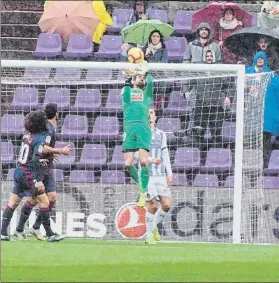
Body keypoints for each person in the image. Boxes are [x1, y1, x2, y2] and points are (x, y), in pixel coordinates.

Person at [0, 111, 65, 242]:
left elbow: (28, 155)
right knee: (45, 202)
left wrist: (38, 161)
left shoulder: (27, 135)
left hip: (19, 170)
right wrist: (37, 180)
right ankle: (50, 234)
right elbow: (35, 159)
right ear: (42, 123)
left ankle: (3, 233)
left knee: (13, 203)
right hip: (29, 174)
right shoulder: (40, 139)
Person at [13, 104, 71, 241]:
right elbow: (42, 147)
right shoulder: (48, 130)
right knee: (35, 199)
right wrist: (59, 151)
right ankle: (22, 228)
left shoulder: (50, 129)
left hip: (47, 167)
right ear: (57, 114)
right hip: (40, 168)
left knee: (51, 198)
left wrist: (51, 154)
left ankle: (34, 227)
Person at [178, 50, 232, 151]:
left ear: (214, 57)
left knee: (216, 134)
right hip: (200, 106)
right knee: (198, 133)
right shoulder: (199, 70)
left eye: (211, 56)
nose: (209, 58)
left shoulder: (220, 71)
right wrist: (186, 92)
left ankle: (216, 158)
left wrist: (228, 97)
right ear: (204, 57)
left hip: (215, 107)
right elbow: (188, 82)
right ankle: (198, 158)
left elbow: (228, 86)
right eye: (207, 56)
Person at [122, 61, 154, 207]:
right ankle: (141, 185)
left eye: (142, 78)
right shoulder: (126, 91)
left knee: (143, 161)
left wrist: (147, 72)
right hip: (130, 128)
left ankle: (144, 192)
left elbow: (151, 83)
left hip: (143, 128)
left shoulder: (146, 94)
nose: (141, 79)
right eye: (138, 77)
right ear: (133, 80)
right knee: (128, 163)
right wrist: (128, 79)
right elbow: (127, 95)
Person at [139, 108, 172, 245]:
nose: (149, 114)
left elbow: (165, 154)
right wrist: (151, 159)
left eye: (151, 112)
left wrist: (169, 173)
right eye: (147, 112)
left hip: (160, 175)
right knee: (152, 204)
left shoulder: (161, 134)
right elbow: (136, 154)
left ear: (155, 117)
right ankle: (148, 236)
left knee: (167, 204)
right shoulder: (141, 133)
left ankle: (153, 227)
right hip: (147, 174)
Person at [246, 51, 279, 168]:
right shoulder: (247, 72)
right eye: (258, 58)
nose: (260, 60)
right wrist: (248, 89)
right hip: (251, 112)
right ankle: (251, 163)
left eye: (262, 58)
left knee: (265, 138)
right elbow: (240, 86)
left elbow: (277, 88)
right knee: (252, 139)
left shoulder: (270, 74)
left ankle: (265, 163)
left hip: (265, 113)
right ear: (255, 58)